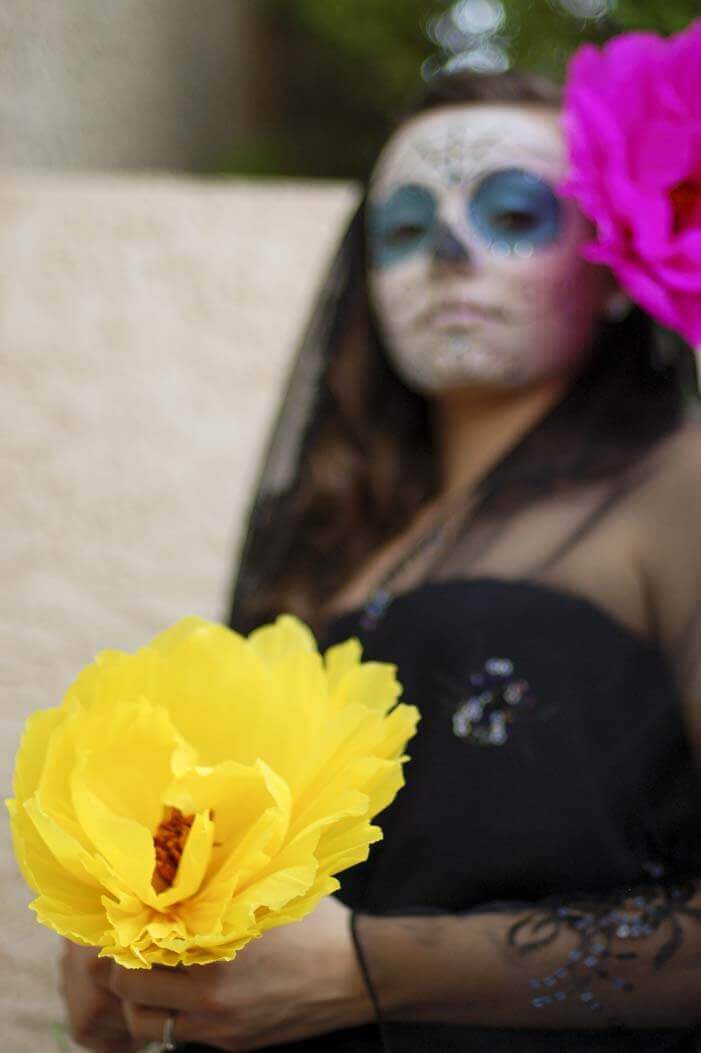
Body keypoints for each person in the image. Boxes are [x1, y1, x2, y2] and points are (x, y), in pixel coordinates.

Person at [61, 22, 701, 1053]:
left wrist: (369, 971)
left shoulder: (677, 489)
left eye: (508, 212)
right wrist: (134, 949)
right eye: (404, 227)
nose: (450, 253)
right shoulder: (335, 548)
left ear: (608, 254)